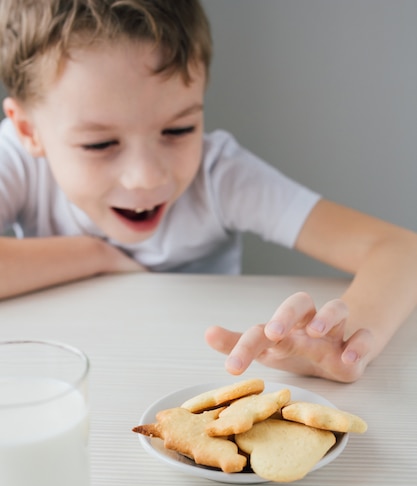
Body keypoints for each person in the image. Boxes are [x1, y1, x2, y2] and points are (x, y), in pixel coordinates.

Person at [0, 0, 416, 383]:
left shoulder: (220, 175)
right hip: (61, 378)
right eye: (100, 144)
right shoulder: (17, 159)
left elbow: (402, 251)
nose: (146, 177)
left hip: (201, 375)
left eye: (179, 129)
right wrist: (95, 256)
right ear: (27, 130)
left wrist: (342, 345)